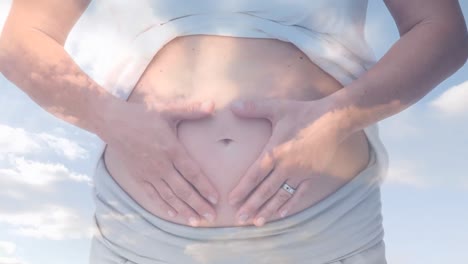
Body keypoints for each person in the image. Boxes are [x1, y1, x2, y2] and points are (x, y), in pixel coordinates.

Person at [0, 0, 466, 263]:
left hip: (327, 231)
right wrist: (109, 119)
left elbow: (442, 30)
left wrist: (336, 119)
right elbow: (21, 40)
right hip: (142, 236)